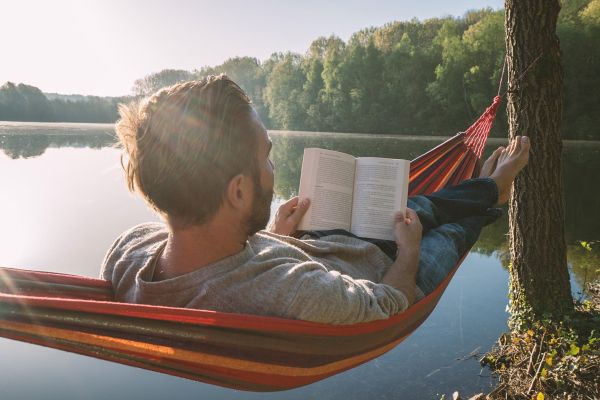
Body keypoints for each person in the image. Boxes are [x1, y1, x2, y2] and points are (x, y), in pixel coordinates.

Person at [101, 75, 530, 324]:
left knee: (425, 205)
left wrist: (274, 236)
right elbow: (387, 305)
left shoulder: (129, 250)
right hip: (390, 267)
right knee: (452, 227)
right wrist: (408, 253)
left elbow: (219, 267)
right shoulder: (291, 294)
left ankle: (483, 189)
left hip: (320, 244)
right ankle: (495, 190)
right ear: (237, 191)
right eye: (266, 158)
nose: (273, 171)